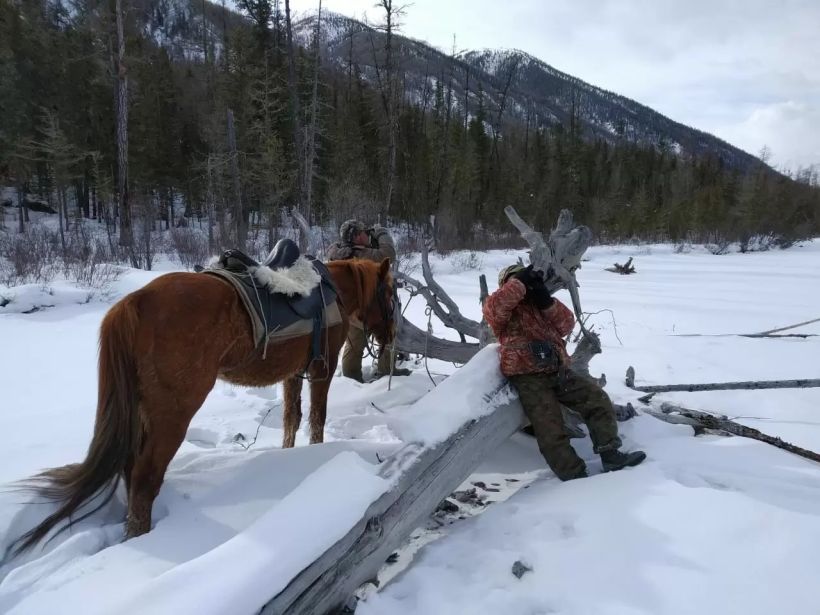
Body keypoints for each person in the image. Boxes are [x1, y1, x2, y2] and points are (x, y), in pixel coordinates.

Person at [483, 263, 645, 480]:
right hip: (527, 375)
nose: (527, 285)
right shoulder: (501, 307)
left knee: (595, 399)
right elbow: (495, 307)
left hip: (556, 369)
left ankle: (611, 454)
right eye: (519, 280)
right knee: (549, 426)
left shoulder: (540, 304)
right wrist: (519, 281)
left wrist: (545, 300)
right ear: (508, 284)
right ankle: (573, 476)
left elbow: (567, 325)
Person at [327, 219, 411, 381]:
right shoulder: (362, 254)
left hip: (350, 310)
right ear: (358, 237)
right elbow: (388, 254)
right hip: (371, 308)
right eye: (365, 233)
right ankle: (386, 371)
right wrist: (381, 233)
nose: (367, 235)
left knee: (353, 344)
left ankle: (350, 378)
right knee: (387, 335)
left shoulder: (337, 252)